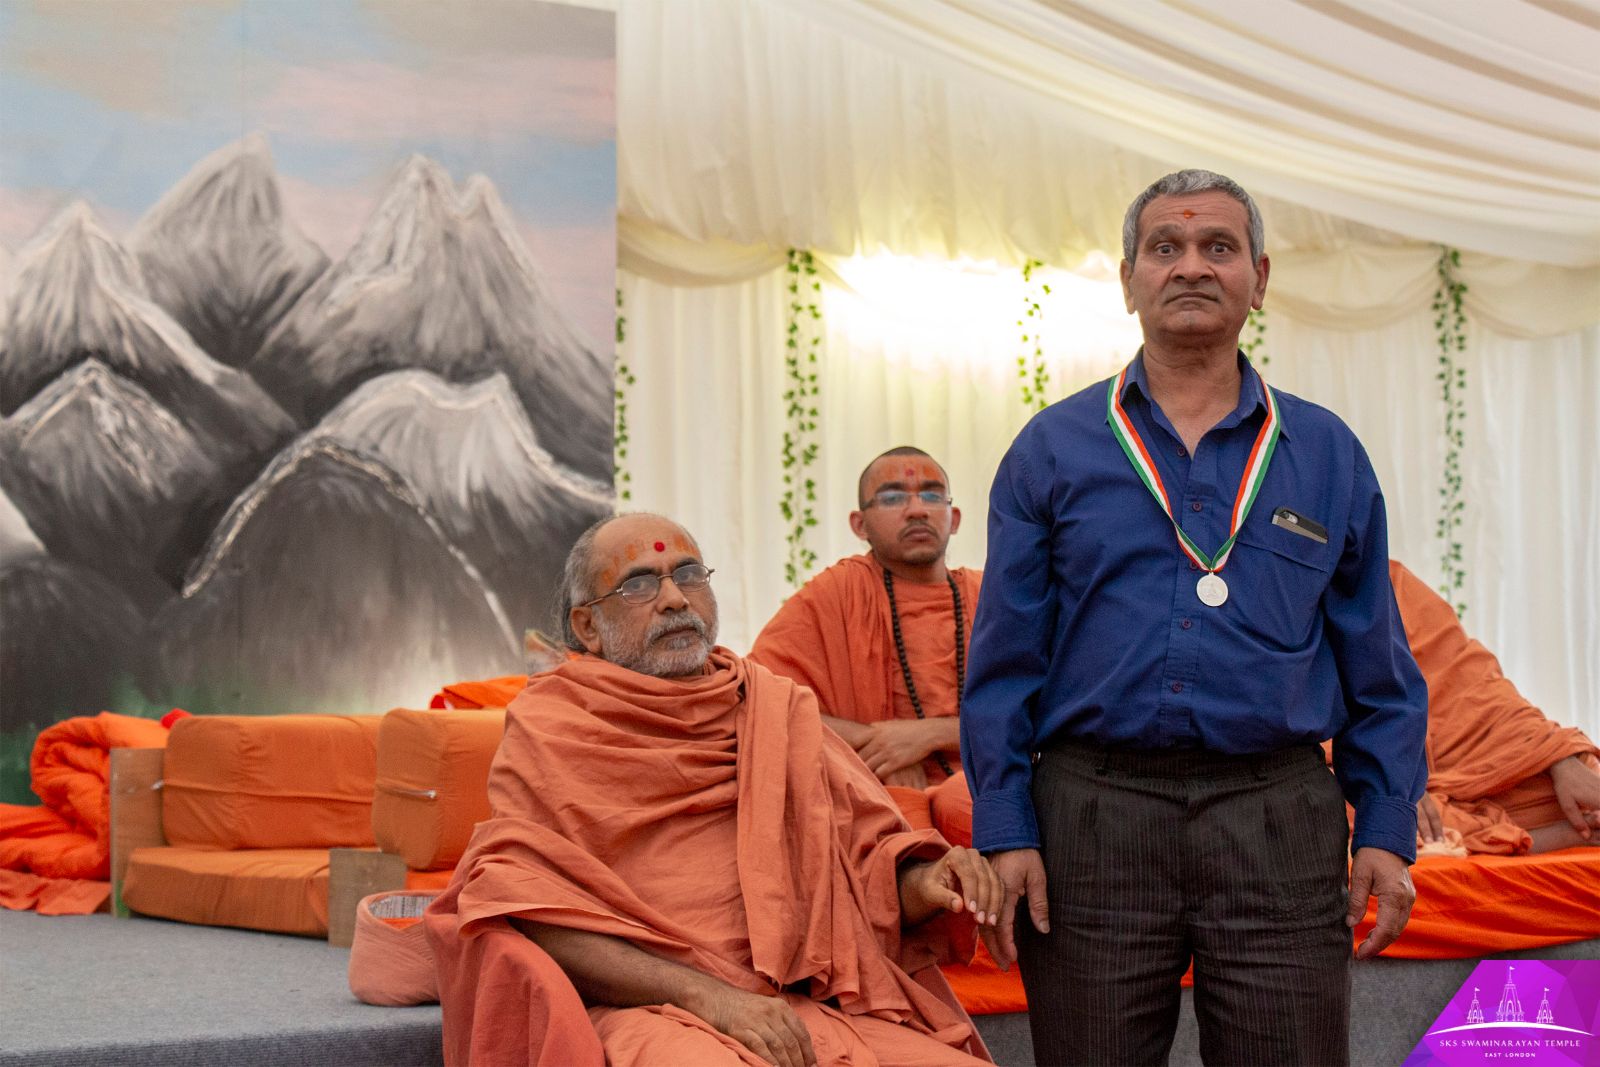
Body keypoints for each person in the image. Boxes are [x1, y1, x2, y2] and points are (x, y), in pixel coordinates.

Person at [961, 169, 1428, 1066]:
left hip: (1278, 818)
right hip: (1093, 818)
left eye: (1218, 247)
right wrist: (1008, 826)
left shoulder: (1325, 451)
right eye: (1165, 248)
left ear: (1259, 274)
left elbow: (1379, 662)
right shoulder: (1051, 449)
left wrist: (1385, 827)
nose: (1191, 267)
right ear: (1129, 276)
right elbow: (1004, 662)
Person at [425, 512, 1004, 1067]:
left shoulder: (774, 708)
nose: (675, 598)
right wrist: (711, 999)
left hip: (803, 1005)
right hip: (651, 1007)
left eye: (688, 574)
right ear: (587, 628)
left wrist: (928, 883)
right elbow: (531, 910)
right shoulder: (555, 725)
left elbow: (865, 872)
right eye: (639, 584)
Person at [750, 447, 980, 788]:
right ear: (860, 525)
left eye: (932, 495)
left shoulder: (991, 597)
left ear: (954, 518)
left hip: (992, 790)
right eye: (892, 498)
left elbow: (1048, 713)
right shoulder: (836, 594)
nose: (917, 510)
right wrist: (874, 744)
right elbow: (759, 699)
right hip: (870, 794)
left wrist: (932, 734)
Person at [1391, 559, 1600, 855]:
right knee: (1345, 808)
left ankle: (1541, 826)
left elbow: (1480, 690)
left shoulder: (1392, 581)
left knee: (1577, 779)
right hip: (1377, 775)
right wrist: (1390, 777)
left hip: (1476, 766)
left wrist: (1559, 758)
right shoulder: (1303, 602)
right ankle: (1535, 838)